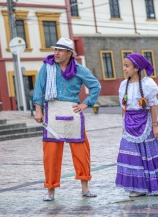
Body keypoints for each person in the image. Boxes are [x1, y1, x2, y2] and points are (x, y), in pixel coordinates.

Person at [33, 38, 101, 201]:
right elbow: (39, 88)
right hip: (52, 111)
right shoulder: (47, 67)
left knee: (81, 151)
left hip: (73, 111)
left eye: (60, 50)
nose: (56, 53)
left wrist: (86, 103)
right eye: (55, 49)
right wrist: (38, 110)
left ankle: (85, 188)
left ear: (69, 53)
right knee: (50, 153)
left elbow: (95, 86)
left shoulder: (79, 69)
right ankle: (50, 190)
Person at [116, 53, 158, 197]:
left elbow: (153, 106)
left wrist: (155, 126)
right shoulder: (123, 85)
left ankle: (155, 186)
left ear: (136, 68)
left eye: (127, 66)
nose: (124, 69)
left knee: (150, 153)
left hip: (146, 123)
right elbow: (123, 107)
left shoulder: (147, 84)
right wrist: (123, 126)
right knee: (130, 155)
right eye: (124, 66)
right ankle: (136, 187)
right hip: (129, 125)